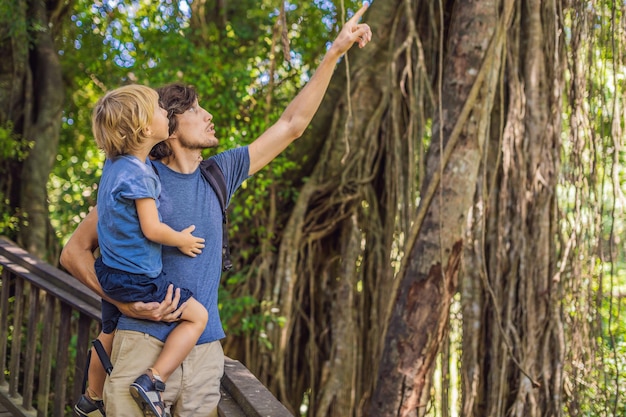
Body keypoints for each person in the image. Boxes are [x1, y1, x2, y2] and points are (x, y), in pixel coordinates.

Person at [60, 5, 372, 417]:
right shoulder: (136, 179)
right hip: (139, 346)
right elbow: (72, 253)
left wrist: (334, 52)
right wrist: (120, 301)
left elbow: (292, 124)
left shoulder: (219, 174)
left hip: (204, 352)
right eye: (195, 109)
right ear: (168, 124)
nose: (208, 116)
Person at [74, 84, 209, 417]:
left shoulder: (114, 166)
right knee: (198, 317)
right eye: (160, 110)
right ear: (147, 129)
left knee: (108, 330)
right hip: (138, 279)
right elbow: (151, 228)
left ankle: (91, 396)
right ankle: (154, 379)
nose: (167, 113)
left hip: (109, 272)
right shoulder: (139, 176)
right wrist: (181, 240)